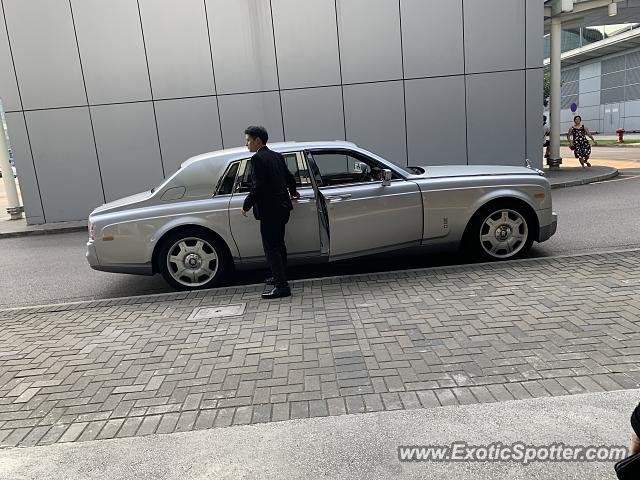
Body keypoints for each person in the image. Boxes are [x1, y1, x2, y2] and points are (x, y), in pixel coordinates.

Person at [241, 126, 299, 299]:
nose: (247, 144)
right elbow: (290, 177)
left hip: (269, 210)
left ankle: (282, 287)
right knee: (279, 245)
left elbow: (257, 186)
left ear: (257, 140)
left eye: (248, 140)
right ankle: (279, 277)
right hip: (282, 208)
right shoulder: (277, 156)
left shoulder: (257, 159)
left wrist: (246, 204)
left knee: (271, 248)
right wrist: (294, 192)